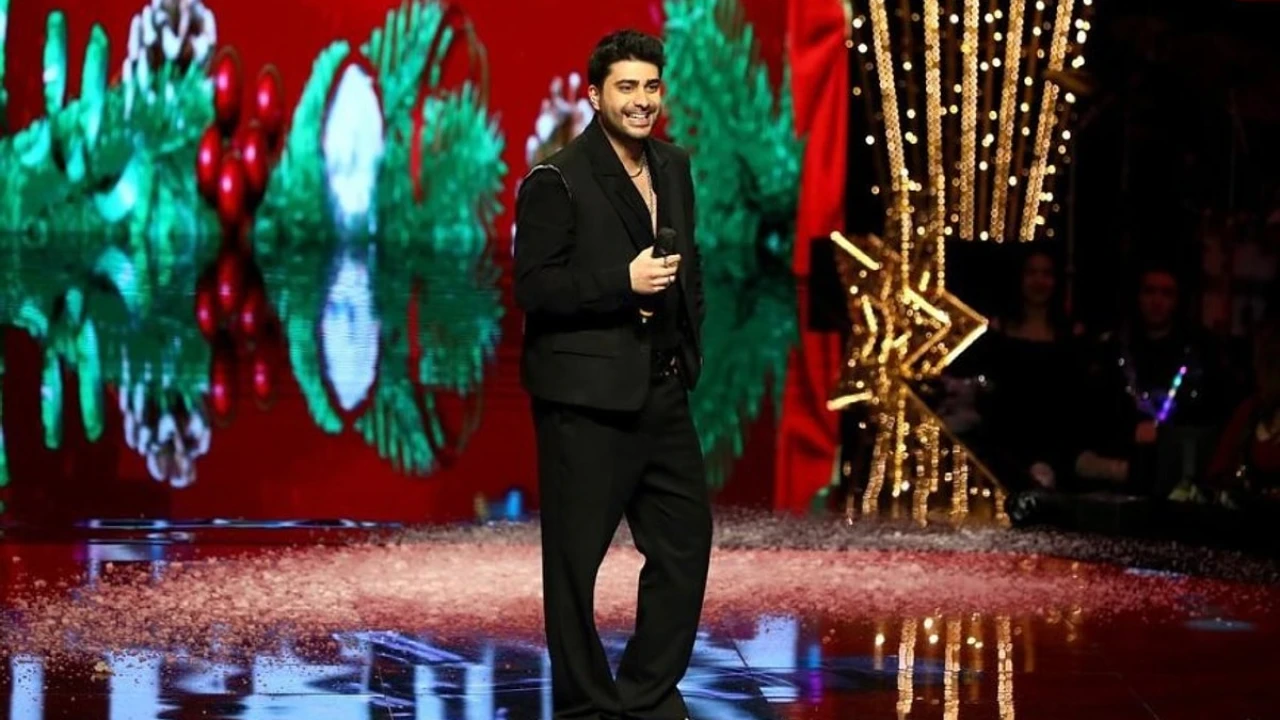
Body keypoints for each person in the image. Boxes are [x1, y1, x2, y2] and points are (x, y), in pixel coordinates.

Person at [512, 29, 709, 720]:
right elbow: (534, 287)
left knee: (684, 542)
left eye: (651, 86)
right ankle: (587, 705)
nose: (642, 100)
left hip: (662, 390)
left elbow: (689, 266)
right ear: (596, 95)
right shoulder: (557, 178)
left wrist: (688, 343)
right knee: (574, 565)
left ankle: (647, 692)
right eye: (627, 87)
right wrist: (621, 284)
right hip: (585, 401)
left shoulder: (673, 166)